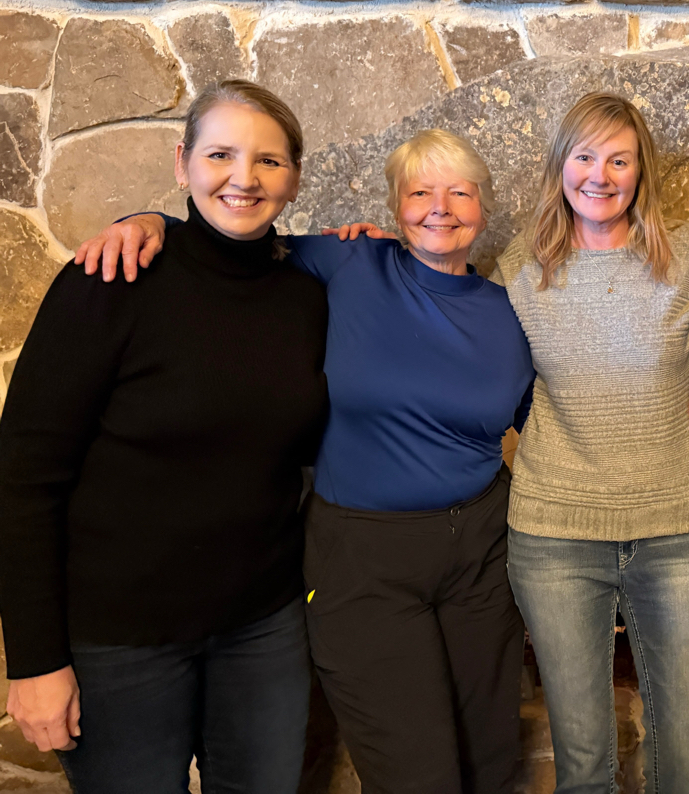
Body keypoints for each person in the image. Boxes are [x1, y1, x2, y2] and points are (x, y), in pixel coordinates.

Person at [71, 129, 538, 794]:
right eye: (420, 192)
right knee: (415, 774)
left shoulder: (510, 312)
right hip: (363, 559)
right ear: (395, 208)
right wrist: (149, 221)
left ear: (483, 210)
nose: (440, 207)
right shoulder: (351, 263)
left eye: (460, 193)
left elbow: (549, 415)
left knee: (490, 760)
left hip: (483, 553)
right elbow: (231, 236)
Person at [0, 80, 327, 792]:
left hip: (263, 626)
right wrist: (33, 660)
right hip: (118, 639)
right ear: (183, 164)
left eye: (269, 161)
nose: (244, 178)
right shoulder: (110, 278)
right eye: (220, 155)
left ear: (295, 178)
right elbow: (22, 477)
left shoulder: (306, 295)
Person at [488, 92, 689, 794]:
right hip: (555, 536)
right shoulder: (521, 265)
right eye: (585, 156)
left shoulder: (688, 253)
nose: (600, 175)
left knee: (684, 765)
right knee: (584, 765)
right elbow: (486, 367)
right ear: (560, 165)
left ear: (640, 168)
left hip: (676, 531)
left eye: (619, 159)